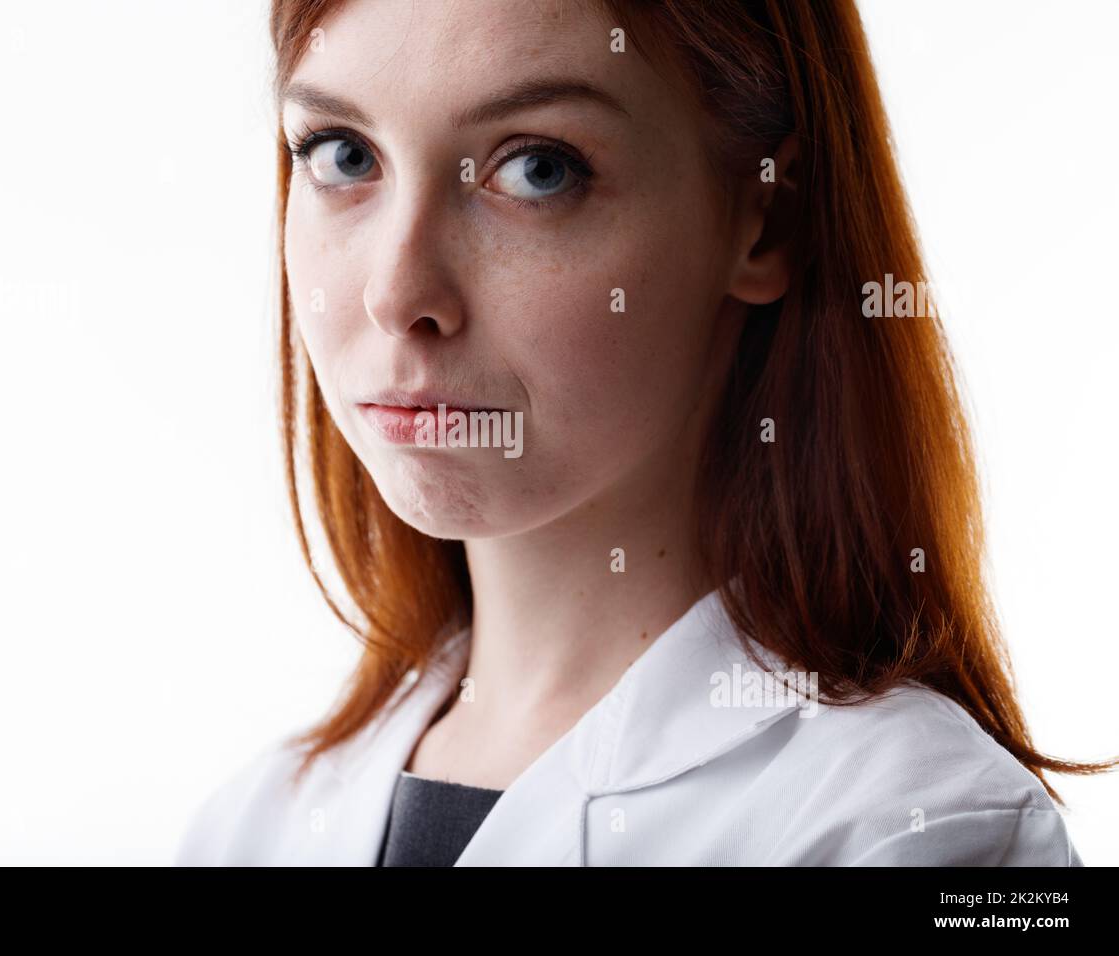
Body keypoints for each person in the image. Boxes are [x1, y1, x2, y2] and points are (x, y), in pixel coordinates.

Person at [176, 0, 1114, 866]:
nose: (396, 293)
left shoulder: (923, 831)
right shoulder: (248, 826)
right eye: (341, 154)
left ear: (764, 218)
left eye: (537, 167)